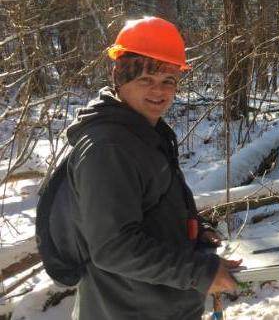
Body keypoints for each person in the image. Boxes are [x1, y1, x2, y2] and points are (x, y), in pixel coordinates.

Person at [66, 16, 240, 319]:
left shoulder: (144, 132)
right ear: (120, 78)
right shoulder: (108, 149)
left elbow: (154, 205)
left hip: (162, 305)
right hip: (127, 310)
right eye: (146, 79)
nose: (158, 91)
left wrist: (196, 231)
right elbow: (113, 247)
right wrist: (198, 272)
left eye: (168, 81)